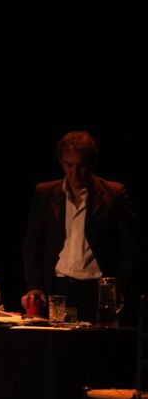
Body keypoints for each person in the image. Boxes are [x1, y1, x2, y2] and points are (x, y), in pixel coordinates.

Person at [21, 131, 137, 323]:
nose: (75, 173)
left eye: (82, 166)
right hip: (58, 289)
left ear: (92, 164)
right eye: (69, 165)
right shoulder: (45, 193)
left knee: (94, 348)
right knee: (57, 348)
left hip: (97, 290)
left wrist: (117, 288)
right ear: (61, 162)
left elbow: (132, 249)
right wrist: (35, 285)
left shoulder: (113, 195)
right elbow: (32, 245)